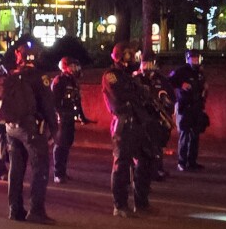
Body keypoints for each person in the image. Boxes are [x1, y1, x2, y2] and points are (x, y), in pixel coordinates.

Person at [3, 43, 58, 224]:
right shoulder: (39, 77)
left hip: (11, 127)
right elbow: (47, 105)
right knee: (40, 167)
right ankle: (36, 210)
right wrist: (54, 129)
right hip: (30, 128)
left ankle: (15, 209)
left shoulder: (12, 74)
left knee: (16, 169)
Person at [102, 42, 156, 218]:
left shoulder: (131, 76)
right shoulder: (111, 75)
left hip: (139, 123)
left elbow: (143, 97)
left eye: (133, 55)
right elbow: (121, 97)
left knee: (147, 158)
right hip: (124, 124)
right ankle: (120, 205)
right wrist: (137, 92)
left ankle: (141, 202)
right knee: (122, 164)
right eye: (128, 55)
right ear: (119, 57)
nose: (132, 58)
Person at [51, 57, 93, 183]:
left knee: (67, 144)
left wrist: (82, 117)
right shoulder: (59, 81)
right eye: (72, 66)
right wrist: (59, 115)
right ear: (65, 67)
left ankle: (63, 172)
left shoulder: (73, 82)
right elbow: (54, 101)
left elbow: (77, 101)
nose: (75, 69)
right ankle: (58, 173)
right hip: (62, 118)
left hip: (70, 118)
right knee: (60, 144)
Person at [134, 51, 175, 180]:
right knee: (145, 145)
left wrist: (168, 108)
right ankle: (147, 172)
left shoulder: (162, 80)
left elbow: (171, 97)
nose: (147, 67)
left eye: (150, 64)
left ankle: (158, 168)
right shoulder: (136, 79)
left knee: (159, 144)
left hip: (159, 117)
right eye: (144, 64)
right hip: (143, 117)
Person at [168, 49, 208, 172]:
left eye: (197, 58)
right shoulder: (181, 71)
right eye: (193, 58)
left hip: (196, 107)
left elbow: (202, 87)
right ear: (188, 59)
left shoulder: (200, 72)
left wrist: (204, 91)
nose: (195, 61)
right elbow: (168, 82)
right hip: (185, 107)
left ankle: (192, 161)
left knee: (195, 136)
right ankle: (182, 162)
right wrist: (181, 85)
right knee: (184, 135)